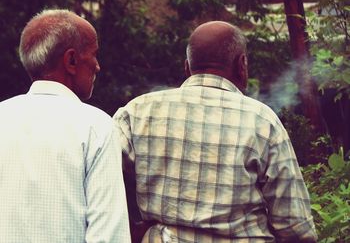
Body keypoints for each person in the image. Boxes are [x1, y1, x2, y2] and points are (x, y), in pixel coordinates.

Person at [114, 21, 317, 242]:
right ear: (242, 65)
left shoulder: (137, 112)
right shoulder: (262, 120)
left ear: (187, 68)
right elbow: (295, 227)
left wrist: (130, 230)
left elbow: (97, 179)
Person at [0, 9, 131, 243]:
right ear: (71, 61)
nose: (98, 66)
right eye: (94, 55)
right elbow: (109, 235)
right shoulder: (96, 126)